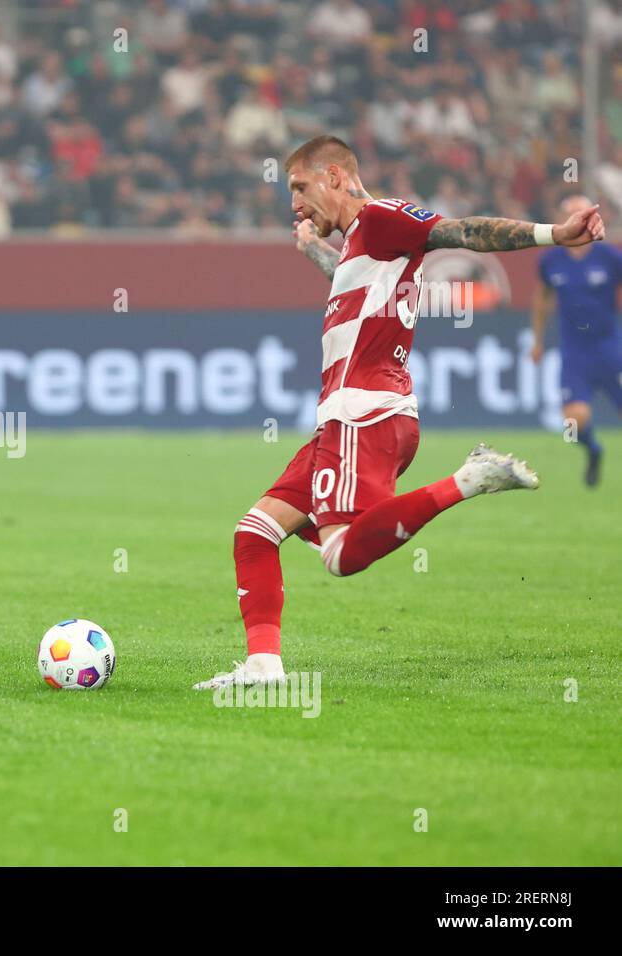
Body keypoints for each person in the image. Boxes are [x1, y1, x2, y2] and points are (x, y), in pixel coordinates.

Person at [195, 135, 605, 690]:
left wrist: (553, 234)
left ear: (336, 176)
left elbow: (463, 232)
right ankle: (265, 667)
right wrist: (313, 251)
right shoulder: (365, 245)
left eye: (299, 187)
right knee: (256, 532)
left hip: (364, 415)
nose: (294, 203)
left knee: (339, 553)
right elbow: (357, 289)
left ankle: (469, 479)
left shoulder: (384, 218)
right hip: (349, 417)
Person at [529, 194, 622, 486]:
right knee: (574, 422)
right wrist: (537, 340)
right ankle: (593, 450)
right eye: (572, 214)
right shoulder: (550, 260)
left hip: (610, 346)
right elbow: (542, 299)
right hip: (575, 351)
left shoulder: (609, 257)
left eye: (583, 214)